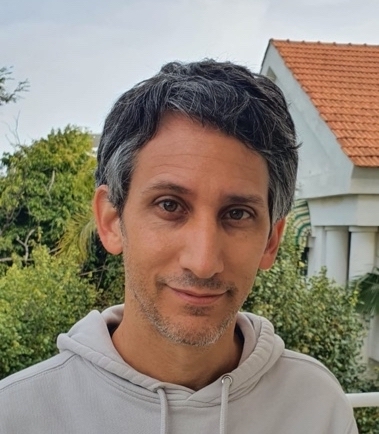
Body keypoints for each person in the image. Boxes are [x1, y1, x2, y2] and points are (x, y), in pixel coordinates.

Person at [0, 60, 358, 433]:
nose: (203, 263)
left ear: (271, 240)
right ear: (111, 221)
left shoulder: (318, 408)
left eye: (237, 214)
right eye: (169, 205)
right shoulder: (17, 415)